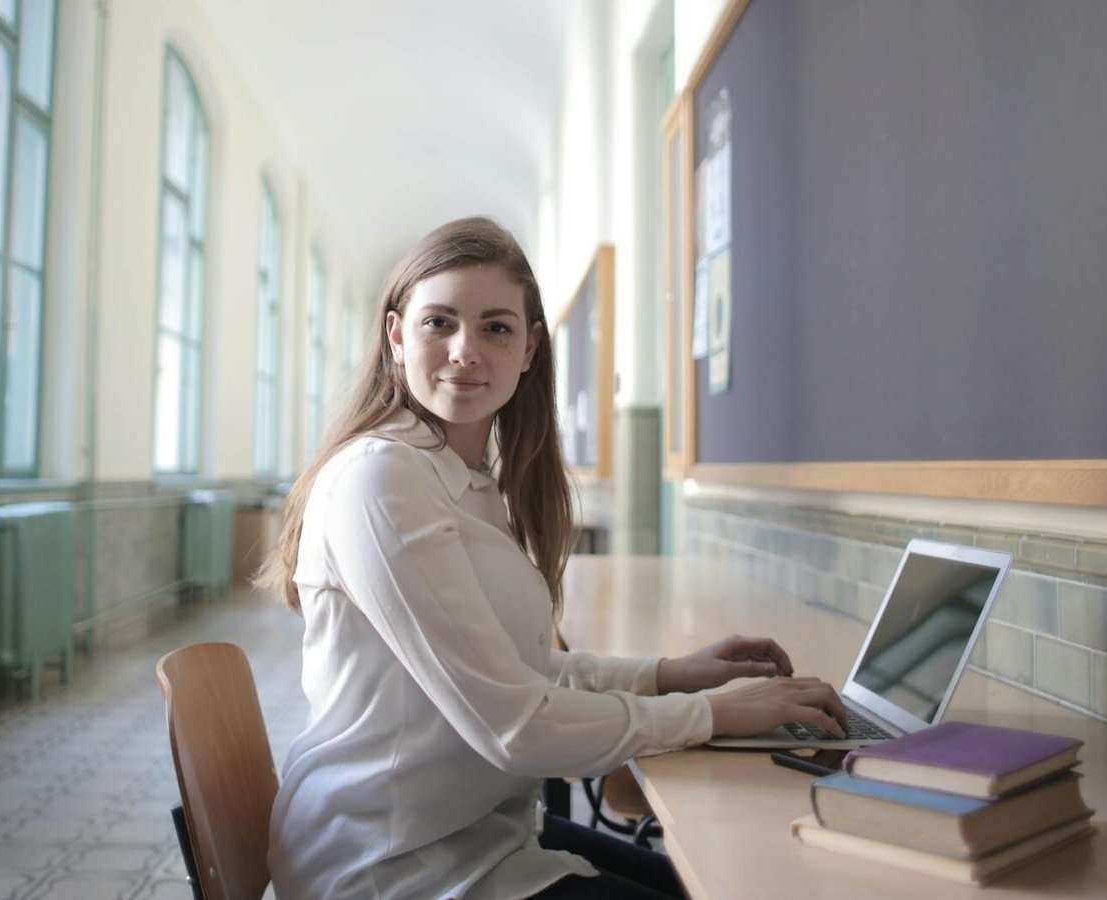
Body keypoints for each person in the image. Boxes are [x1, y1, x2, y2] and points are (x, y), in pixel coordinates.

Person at [256, 217, 847, 899]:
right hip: (392, 868)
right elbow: (516, 728)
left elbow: (515, 671)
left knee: (719, 878)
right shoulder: (381, 480)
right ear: (396, 336)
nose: (465, 351)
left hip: (477, 836)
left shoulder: (465, 481)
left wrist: (670, 674)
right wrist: (719, 713)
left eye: (496, 327)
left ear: (531, 347)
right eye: (439, 323)